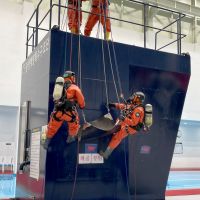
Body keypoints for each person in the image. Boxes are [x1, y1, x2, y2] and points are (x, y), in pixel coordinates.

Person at [43, 70, 85, 149]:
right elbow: (81, 99)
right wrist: (82, 106)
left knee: (52, 127)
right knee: (74, 124)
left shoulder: (59, 86)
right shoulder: (74, 88)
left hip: (58, 112)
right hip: (69, 113)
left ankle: (47, 141)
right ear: (71, 77)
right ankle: (70, 138)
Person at [100, 92, 146, 159]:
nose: (133, 97)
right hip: (127, 123)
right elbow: (124, 106)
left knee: (117, 138)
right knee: (118, 122)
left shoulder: (138, 110)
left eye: (135, 96)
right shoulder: (134, 106)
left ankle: (106, 154)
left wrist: (124, 118)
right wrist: (113, 105)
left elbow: (133, 122)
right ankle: (113, 128)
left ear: (138, 99)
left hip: (130, 128)